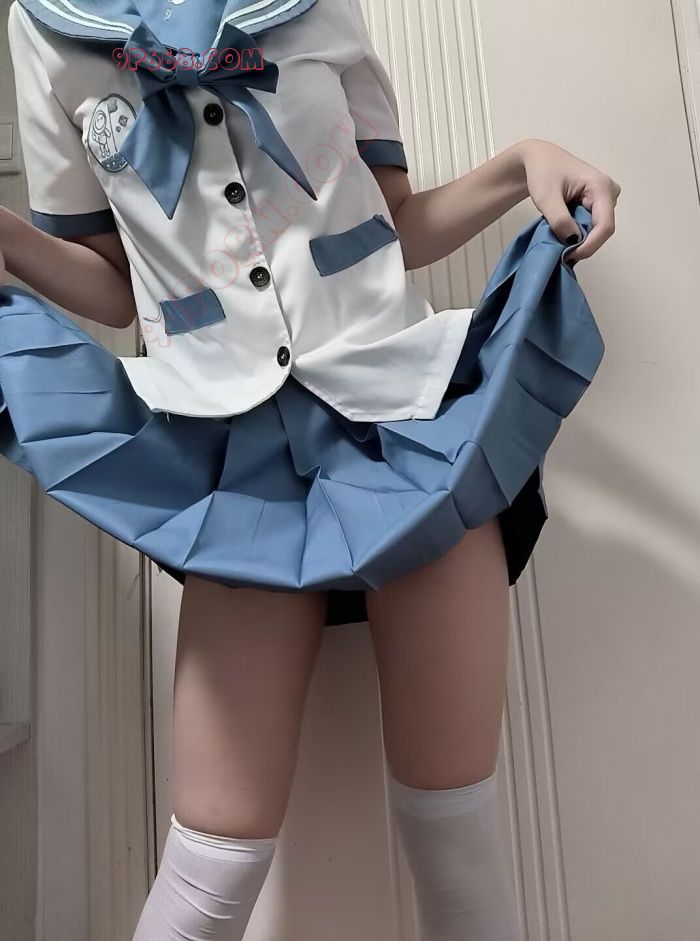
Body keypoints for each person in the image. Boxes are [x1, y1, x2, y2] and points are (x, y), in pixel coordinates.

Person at [0, 0, 619, 938]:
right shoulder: (49, 26)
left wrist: (521, 162)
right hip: (231, 456)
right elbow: (114, 287)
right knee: (208, 868)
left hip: (407, 424)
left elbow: (394, 222)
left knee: (455, 840)